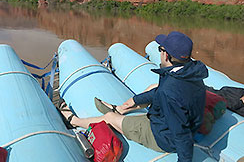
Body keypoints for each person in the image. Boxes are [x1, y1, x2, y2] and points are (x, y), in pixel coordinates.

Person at [61, 31, 208, 162]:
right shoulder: (190, 73)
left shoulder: (169, 92)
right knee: (152, 89)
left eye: (160, 50)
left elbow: (181, 134)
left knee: (110, 118)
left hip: (162, 137)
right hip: (176, 120)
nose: (160, 53)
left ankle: (74, 121)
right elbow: (160, 93)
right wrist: (133, 101)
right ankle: (121, 109)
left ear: (166, 55)